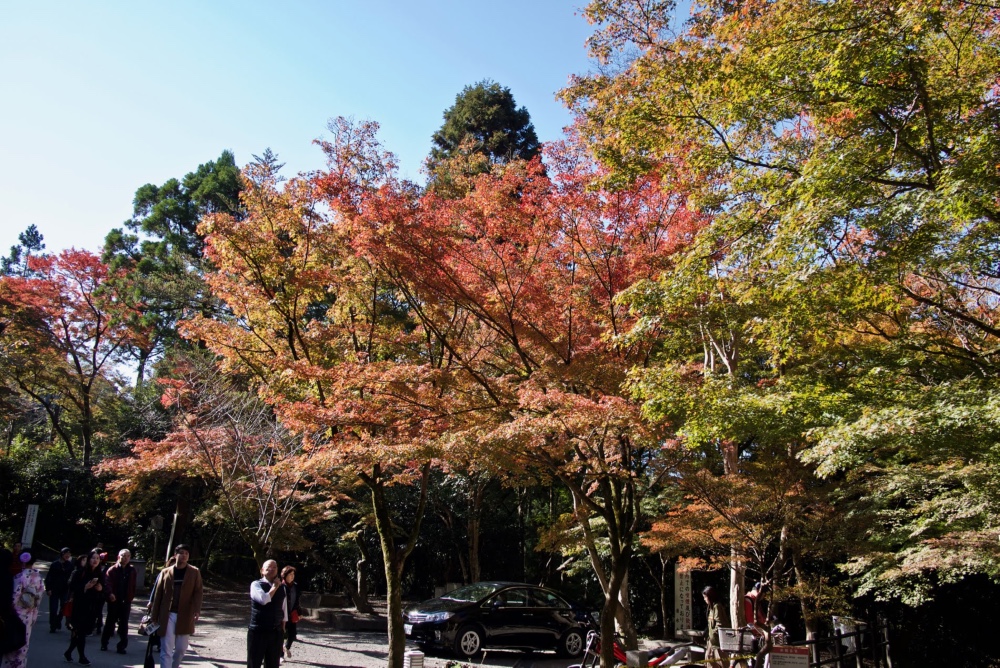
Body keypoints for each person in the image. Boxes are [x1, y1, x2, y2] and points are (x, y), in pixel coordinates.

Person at [150, 544, 203, 668]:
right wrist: (154, 615)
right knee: (166, 648)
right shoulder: (165, 572)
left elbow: (198, 591)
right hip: (167, 614)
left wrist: (197, 609)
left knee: (181, 649)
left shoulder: (194, 572)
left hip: (185, 614)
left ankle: (175, 666)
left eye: (186, 554)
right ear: (175, 555)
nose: (184, 556)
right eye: (181, 553)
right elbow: (158, 595)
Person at [1, 552, 42, 668]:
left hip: (18, 612)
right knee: (24, 641)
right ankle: (21, 665)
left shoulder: (20, 577)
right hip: (30, 612)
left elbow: (14, 596)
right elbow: (39, 597)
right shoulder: (38, 577)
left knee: (13, 639)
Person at [64, 550, 105, 665]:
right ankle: (82, 657)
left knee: (81, 632)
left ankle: (68, 652)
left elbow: (104, 591)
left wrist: (100, 589)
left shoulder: (99, 574)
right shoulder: (80, 572)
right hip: (79, 606)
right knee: (80, 632)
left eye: (97, 558)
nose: (95, 560)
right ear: (88, 559)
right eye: (93, 558)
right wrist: (85, 587)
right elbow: (71, 587)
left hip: (92, 608)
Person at [247, 559, 286, 668]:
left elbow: (284, 607)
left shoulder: (282, 587)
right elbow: (264, 600)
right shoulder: (256, 585)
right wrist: (274, 587)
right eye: (269, 567)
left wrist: (283, 625)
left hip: (275, 631)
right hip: (258, 630)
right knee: (254, 663)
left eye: (275, 567)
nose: (272, 569)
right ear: (262, 570)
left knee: (273, 663)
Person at [101, 549, 137, 654]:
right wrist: (110, 594)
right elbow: (107, 584)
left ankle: (122, 646)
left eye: (127, 556)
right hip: (114, 600)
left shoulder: (132, 570)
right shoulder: (112, 570)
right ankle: (104, 643)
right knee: (110, 622)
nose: (125, 558)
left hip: (126, 601)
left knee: (124, 624)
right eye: (123, 556)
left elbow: (133, 585)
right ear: (118, 557)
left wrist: (131, 596)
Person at [146, 556, 176, 654]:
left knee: (168, 628)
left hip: (173, 606)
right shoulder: (164, 573)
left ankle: (162, 644)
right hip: (161, 604)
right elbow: (156, 589)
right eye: (172, 563)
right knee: (159, 625)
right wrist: (151, 601)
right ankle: (157, 643)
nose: (174, 565)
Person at [45, 548, 75, 633]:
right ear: (62, 554)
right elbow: (49, 577)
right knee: (53, 608)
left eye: (69, 554)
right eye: (66, 553)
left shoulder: (70, 565)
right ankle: (53, 625)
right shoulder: (55, 564)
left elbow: (72, 578)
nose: (67, 555)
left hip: (65, 590)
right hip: (54, 589)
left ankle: (58, 620)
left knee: (63, 607)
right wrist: (48, 588)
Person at [702, 585, 731, 668]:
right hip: (711, 642)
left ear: (710, 596)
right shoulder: (710, 608)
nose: (704, 599)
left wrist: (714, 633)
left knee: (721, 663)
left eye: (705, 597)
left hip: (718, 642)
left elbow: (720, 624)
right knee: (709, 661)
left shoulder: (717, 607)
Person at [279, 565, 300, 661]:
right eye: (290, 574)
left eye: (293, 574)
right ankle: (281, 655)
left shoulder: (295, 586)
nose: (292, 576)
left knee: (292, 634)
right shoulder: (280, 586)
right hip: (282, 615)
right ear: (285, 575)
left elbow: (297, 601)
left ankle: (286, 647)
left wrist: (299, 612)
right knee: (281, 635)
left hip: (292, 614)